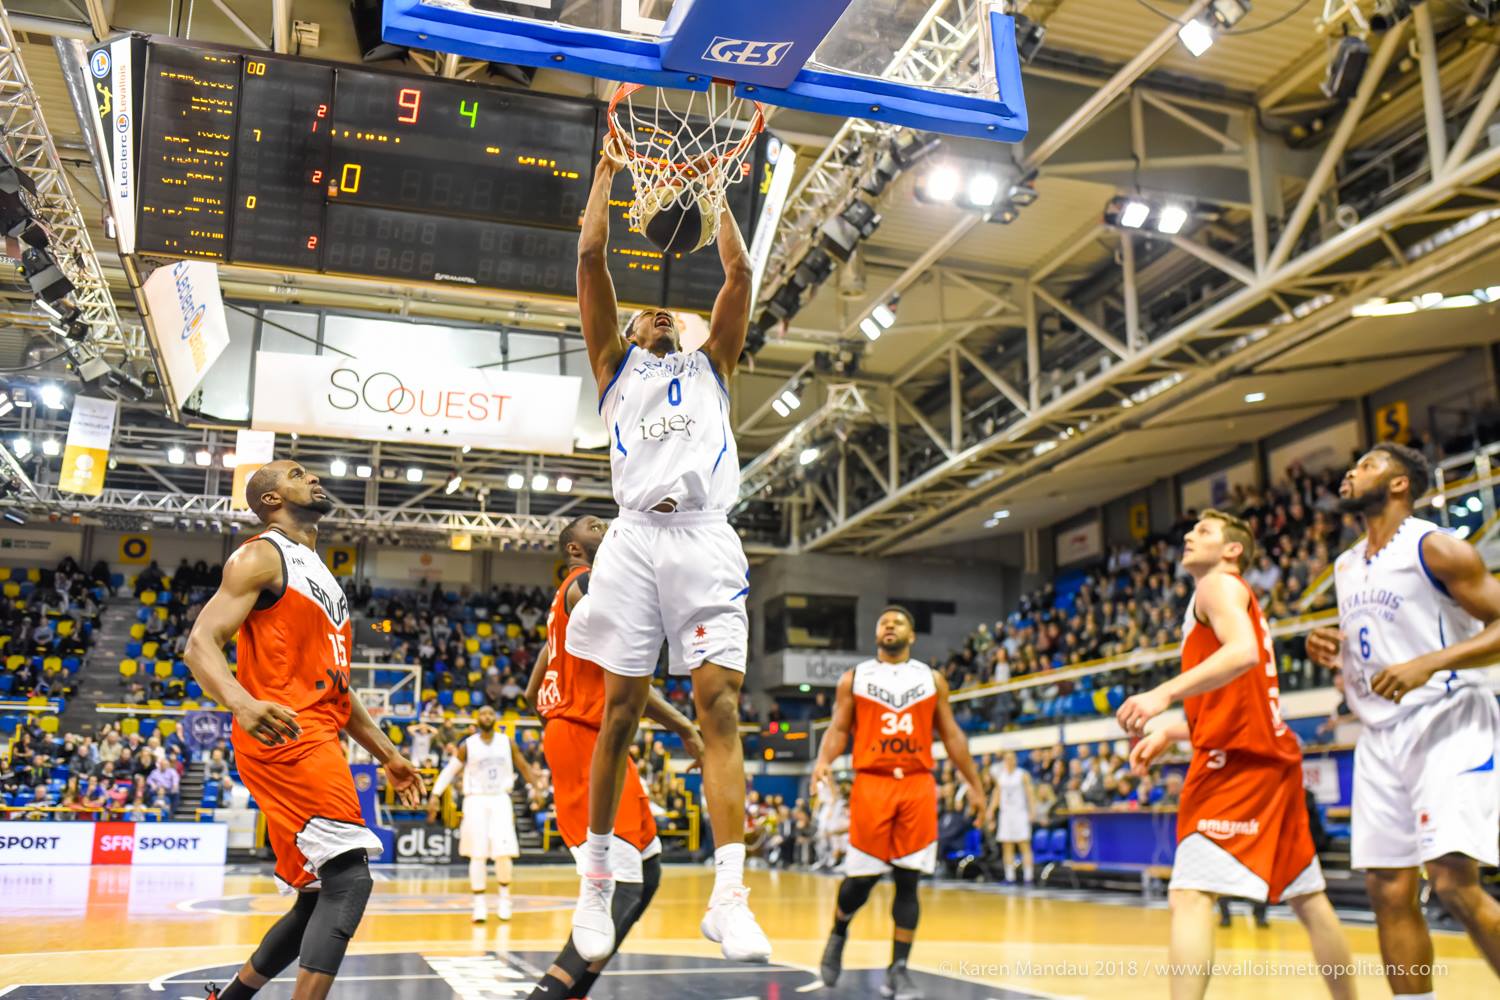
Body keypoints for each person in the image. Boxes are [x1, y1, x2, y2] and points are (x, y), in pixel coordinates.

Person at [563, 136, 767, 963]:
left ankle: (729, 896)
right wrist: (606, 178)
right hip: (635, 539)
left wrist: (717, 190)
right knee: (617, 713)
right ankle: (597, 884)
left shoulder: (713, 365)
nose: (655, 315)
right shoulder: (614, 368)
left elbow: (740, 279)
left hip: (704, 538)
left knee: (719, 709)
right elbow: (589, 259)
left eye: (666, 314)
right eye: (643, 313)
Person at [184, 460, 425, 1000]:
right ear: (271, 499)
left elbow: (338, 687)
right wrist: (242, 702)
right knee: (350, 880)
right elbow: (199, 644)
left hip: (314, 729)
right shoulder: (259, 555)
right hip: (287, 735)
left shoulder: (317, 570)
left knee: (317, 896)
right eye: (297, 474)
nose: (314, 478)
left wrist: (387, 753)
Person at [1119, 509, 1353, 1000]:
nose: (1187, 535)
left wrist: (1161, 695)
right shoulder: (1231, 596)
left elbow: (1242, 652)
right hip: (1269, 755)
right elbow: (1240, 699)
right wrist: (1178, 732)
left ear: (1232, 551)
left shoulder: (1218, 586)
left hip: (1237, 765)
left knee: (1189, 894)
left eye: (1203, 531)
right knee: (1309, 899)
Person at [1307, 443, 1500, 991]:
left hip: (1447, 721)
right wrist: (1330, 647)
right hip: (1380, 737)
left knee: (1453, 883)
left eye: (1367, 464)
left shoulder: (1435, 547)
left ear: (1398, 485)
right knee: (1387, 889)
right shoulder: (1345, 566)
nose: (1351, 471)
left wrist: (1429, 664)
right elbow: (1377, 641)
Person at [521, 515, 705, 999]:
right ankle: (550, 994)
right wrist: (685, 725)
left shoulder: (564, 604)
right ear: (574, 551)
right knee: (622, 882)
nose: (608, 529)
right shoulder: (584, 584)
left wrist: (557, 707)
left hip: (588, 734)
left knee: (647, 872)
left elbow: (530, 691)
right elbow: (626, 680)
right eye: (595, 528)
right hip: (584, 737)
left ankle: (575, 989)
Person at [812, 607, 988, 1000]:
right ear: (877, 634)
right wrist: (823, 762)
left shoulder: (931, 679)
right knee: (861, 882)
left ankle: (899, 969)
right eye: (883, 621)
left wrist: (974, 785)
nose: (888, 624)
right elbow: (839, 728)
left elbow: (953, 736)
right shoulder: (855, 678)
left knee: (909, 882)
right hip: (872, 783)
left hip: (916, 785)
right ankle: (839, 931)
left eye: (898, 622)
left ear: (912, 636)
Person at [426, 705, 542, 923]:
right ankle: (478, 905)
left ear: (495, 718)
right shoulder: (468, 745)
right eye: (483, 714)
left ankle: (504, 900)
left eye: (490, 713)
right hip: (476, 800)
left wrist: (536, 788)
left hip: (500, 798)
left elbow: (524, 767)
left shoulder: (507, 742)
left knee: (503, 852)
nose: (487, 717)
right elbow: (450, 771)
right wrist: (435, 794)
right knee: (477, 854)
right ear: (477, 719)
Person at [989, 751, 1035, 884]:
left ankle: (1028, 877)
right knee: (1007, 846)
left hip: (1020, 814)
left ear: (1015, 760)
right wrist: (991, 810)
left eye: (1011, 759)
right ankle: (1010, 877)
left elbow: (1030, 794)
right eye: (1006, 759)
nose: (1009, 761)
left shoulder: (1022, 774)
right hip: (1006, 815)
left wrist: (1032, 811)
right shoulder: (1001, 777)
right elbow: (996, 795)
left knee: (1024, 845)